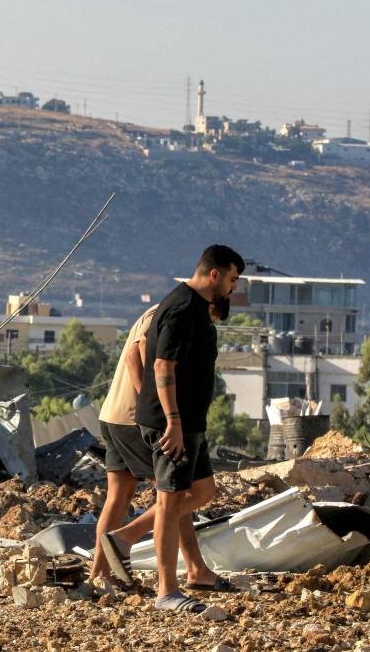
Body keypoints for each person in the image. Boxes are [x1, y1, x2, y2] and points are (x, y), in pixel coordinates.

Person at [128, 244, 243, 612]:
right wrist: (173, 422)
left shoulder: (195, 307)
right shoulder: (181, 308)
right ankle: (166, 591)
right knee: (169, 501)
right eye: (232, 279)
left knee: (204, 491)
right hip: (172, 423)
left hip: (190, 422)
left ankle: (128, 537)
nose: (232, 288)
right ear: (214, 274)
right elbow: (161, 367)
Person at [91, 298, 231, 591]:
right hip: (134, 418)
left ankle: (99, 578)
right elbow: (135, 356)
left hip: (114, 414)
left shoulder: (160, 310)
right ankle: (131, 541)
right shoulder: (171, 314)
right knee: (177, 494)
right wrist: (153, 411)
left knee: (121, 496)